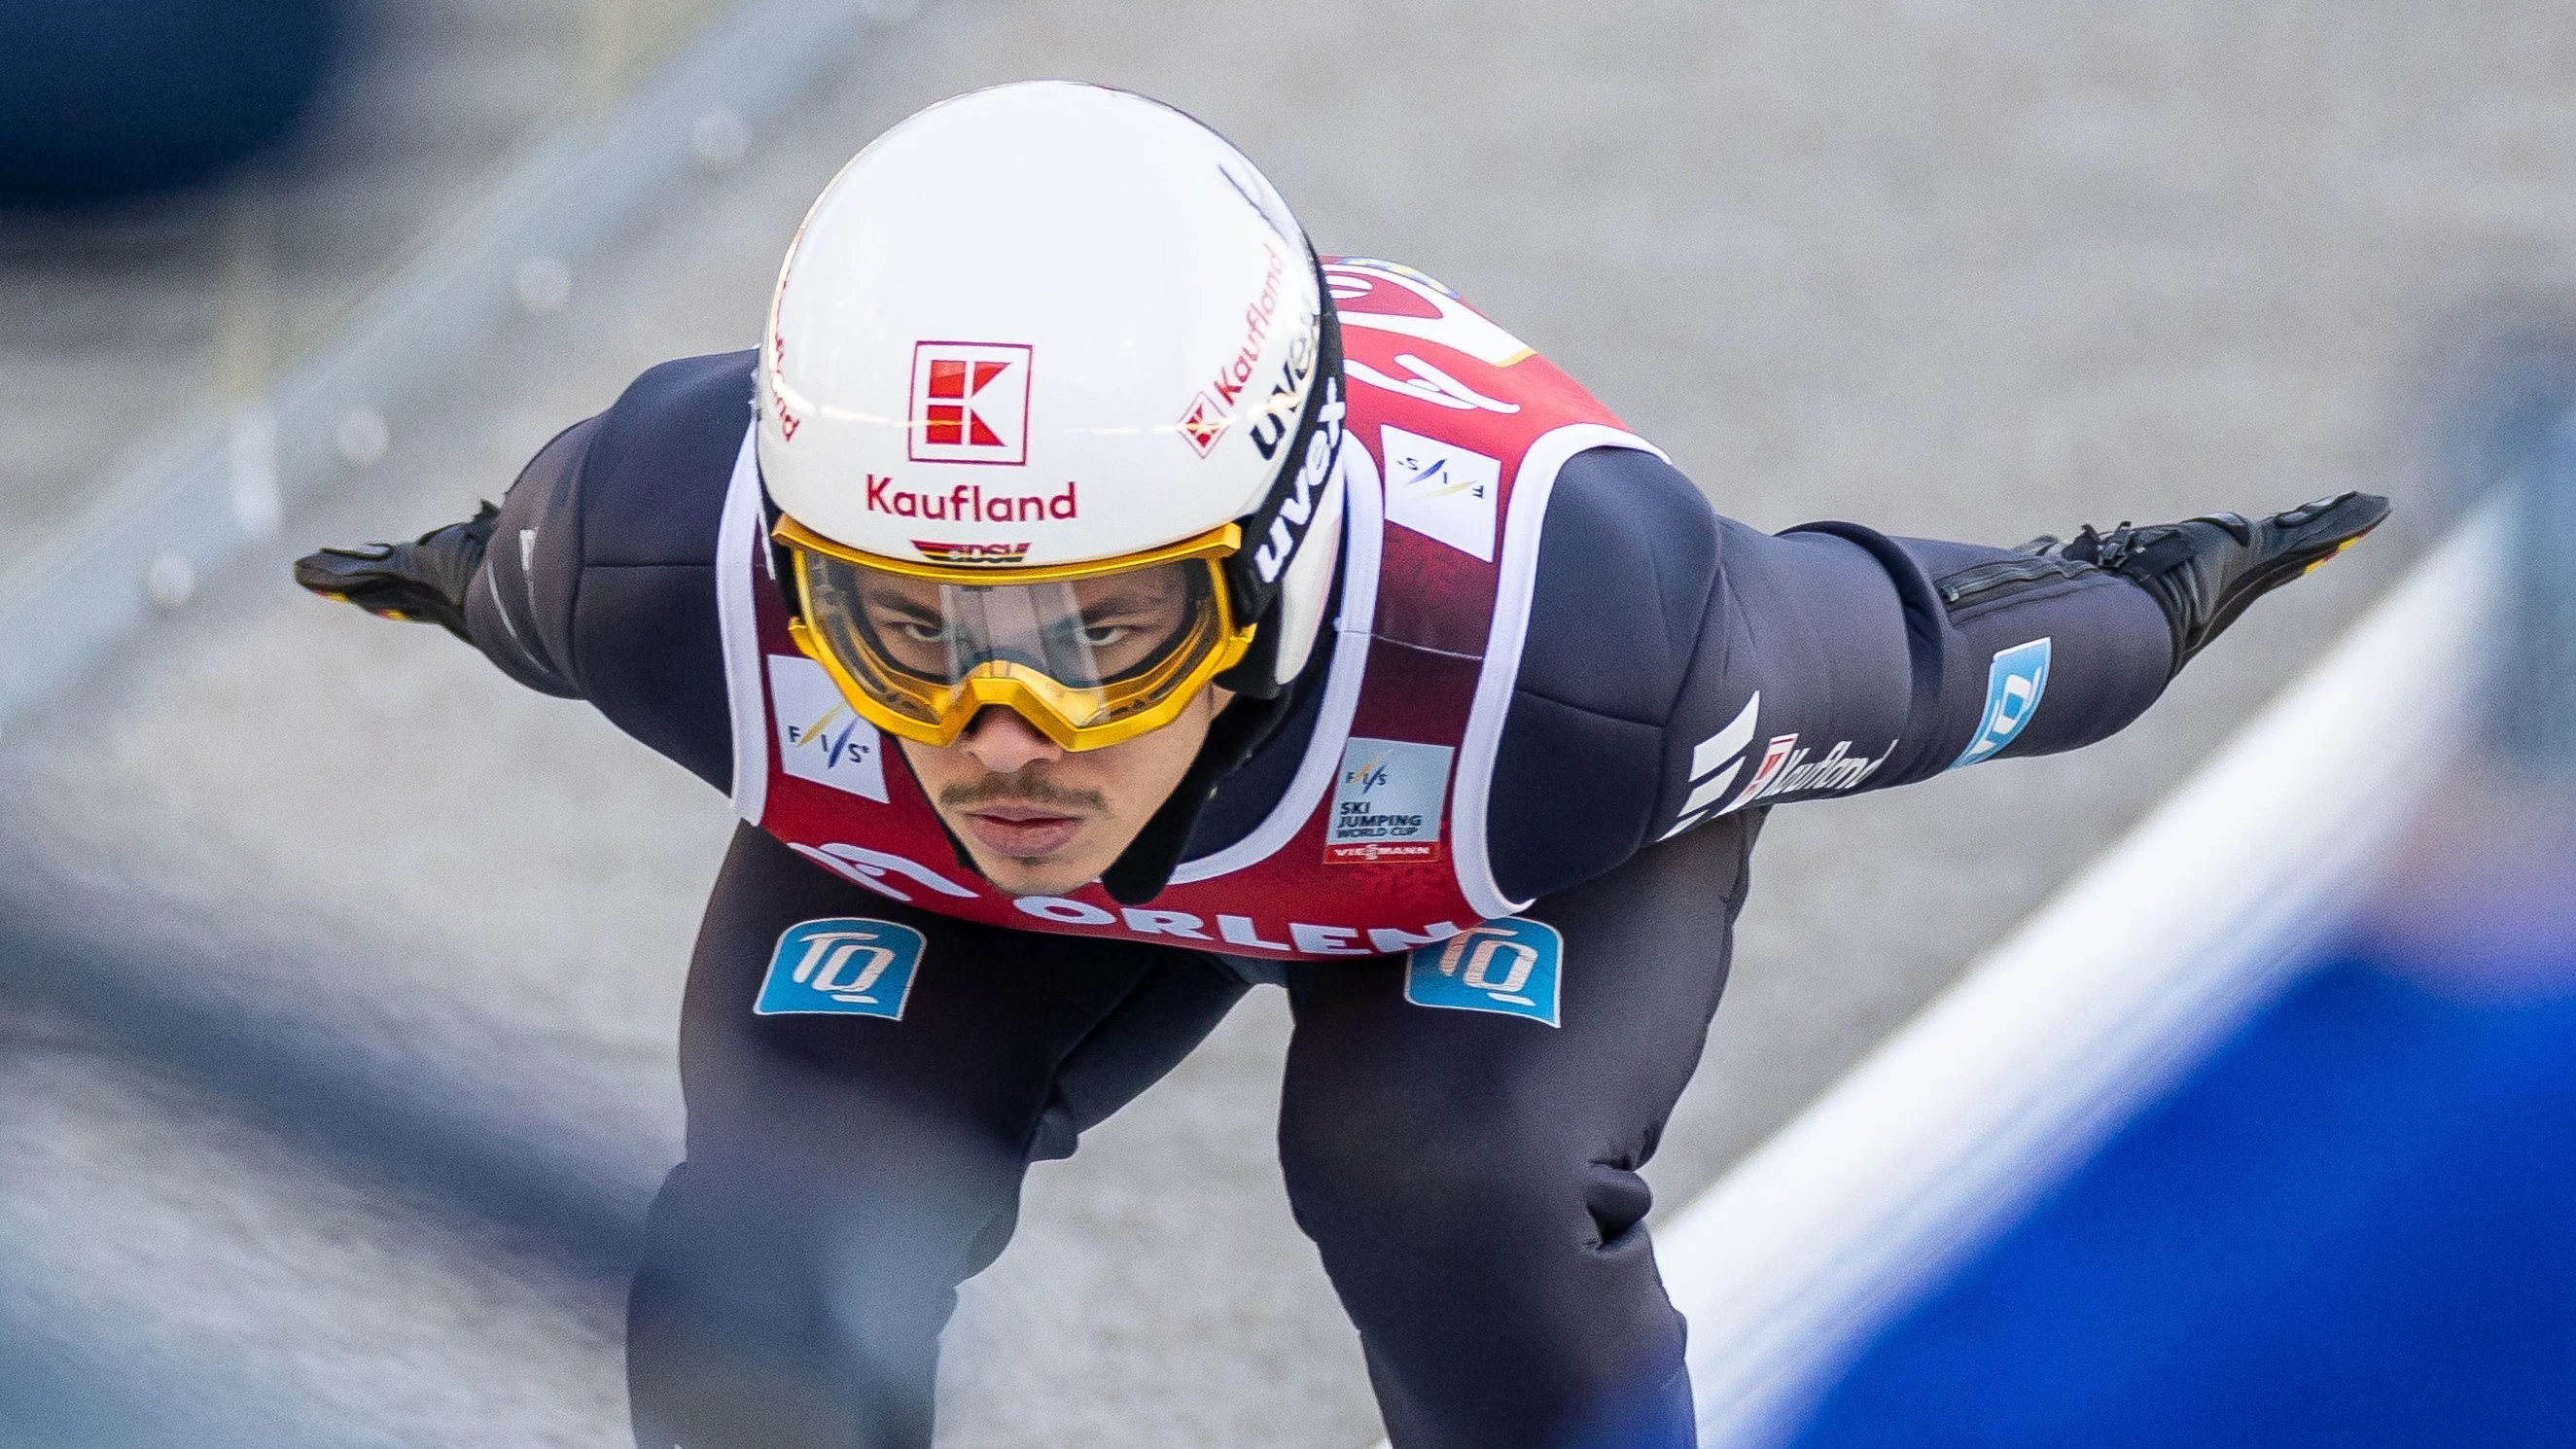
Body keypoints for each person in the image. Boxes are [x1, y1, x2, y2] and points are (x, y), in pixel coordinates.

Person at [295, 82, 2386, 1449]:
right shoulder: (661, 565)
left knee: (1439, 1174)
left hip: (1475, 833)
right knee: (759, 1246)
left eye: (1098, 628)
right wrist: (414, 577)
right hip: (1202, 817)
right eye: (899, 624)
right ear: (793, 563)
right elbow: (485, 574)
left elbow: (1923, 659)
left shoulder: (1574, 652)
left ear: (1278, 560)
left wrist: (2164, 587)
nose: (997, 733)